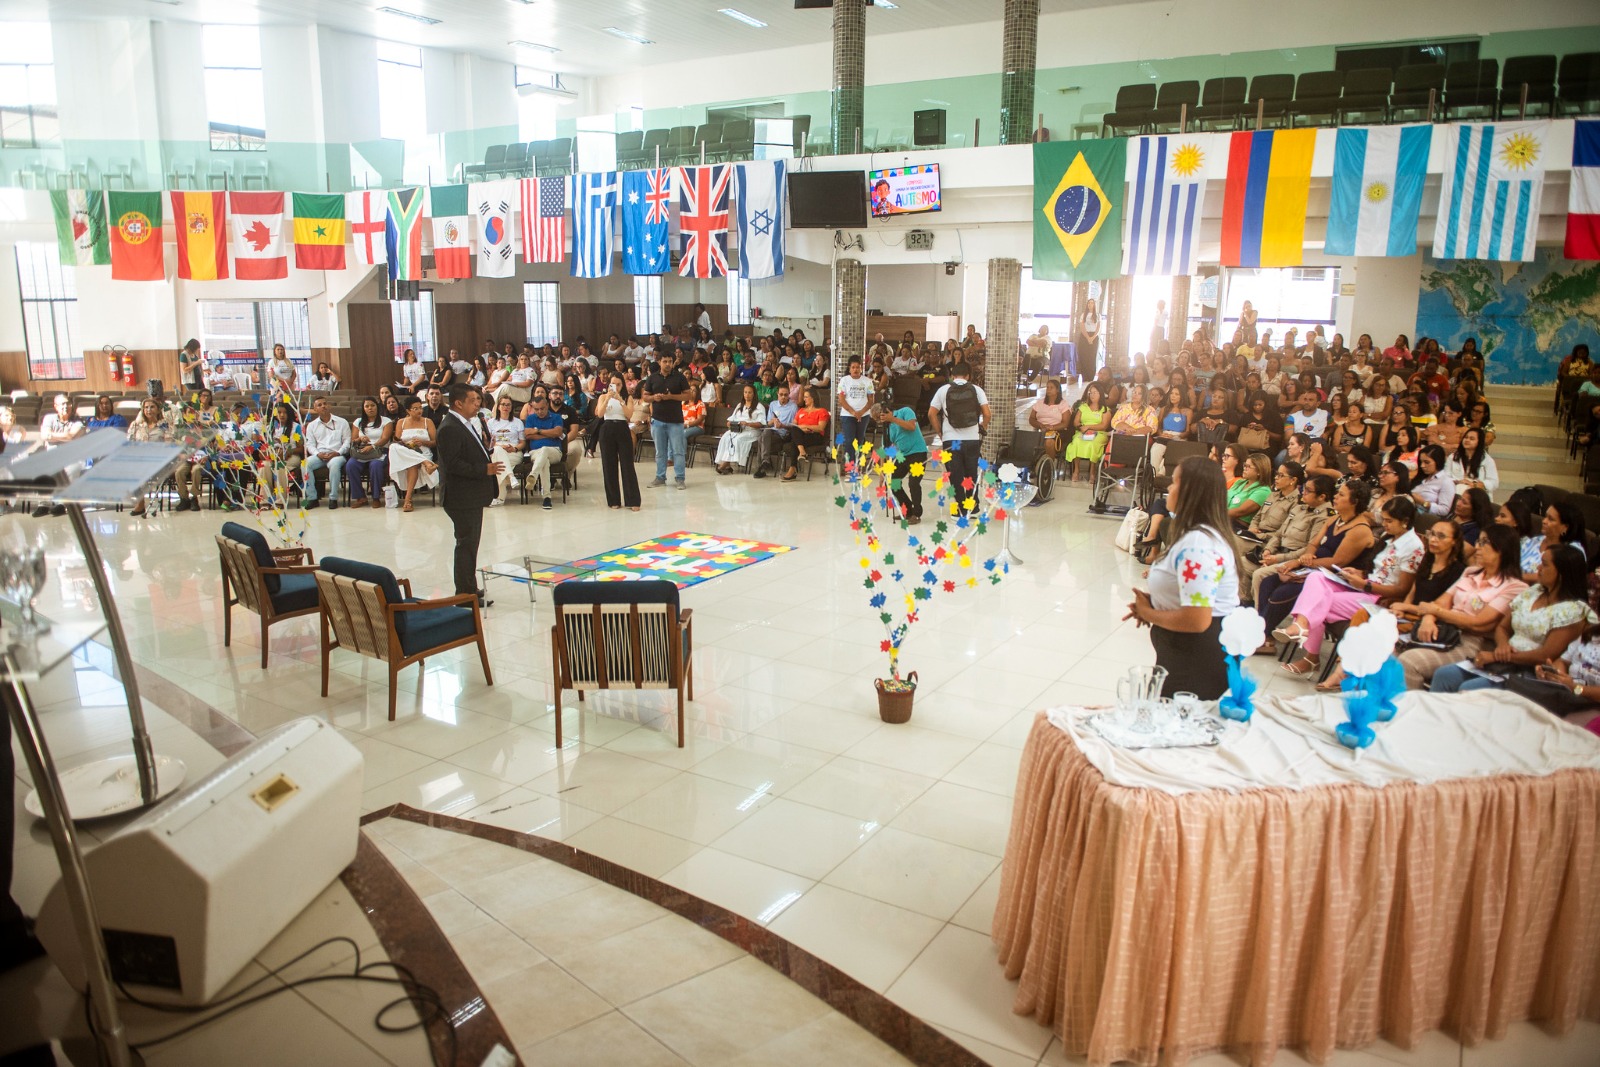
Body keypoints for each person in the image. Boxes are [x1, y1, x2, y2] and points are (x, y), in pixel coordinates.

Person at [1124, 456, 1239, 700]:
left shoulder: (1199, 545)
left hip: (1196, 656)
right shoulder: (1195, 536)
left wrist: (1149, 613)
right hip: (1185, 651)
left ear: (1190, 492)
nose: (1169, 487)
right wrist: (1157, 603)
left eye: (1175, 482)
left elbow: (1197, 620)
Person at [1277, 497, 1423, 676]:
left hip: (1379, 596)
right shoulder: (1389, 537)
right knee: (1316, 577)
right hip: (1364, 585)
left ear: (1405, 521)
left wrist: (1366, 585)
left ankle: (1310, 654)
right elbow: (1377, 569)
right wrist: (1359, 573)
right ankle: (1301, 627)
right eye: (1383, 519)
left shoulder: (1413, 547)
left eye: (1389, 521)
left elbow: (1402, 589)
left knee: (1319, 601)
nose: (1384, 524)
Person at [1429, 545, 1594, 693]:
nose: (1538, 568)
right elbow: (1503, 627)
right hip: (1504, 659)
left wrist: (1498, 656)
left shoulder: (1573, 611)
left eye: (1544, 564)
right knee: (1444, 675)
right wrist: (1502, 646)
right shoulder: (1533, 591)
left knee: (1470, 689)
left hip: (1530, 671)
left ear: (1562, 573)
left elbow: (1546, 655)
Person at [1394, 524, 1529, 689]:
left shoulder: (1514, 586)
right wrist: (1428, 619)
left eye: (1484, 542)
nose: (1477, 547)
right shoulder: (1470, 572)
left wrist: (1435, 611)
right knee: (1391, 650)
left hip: (1472, 642)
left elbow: (1478, 622)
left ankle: (1413, 705)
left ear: (1501, 548)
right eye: (1478, 541)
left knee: (1409, 662)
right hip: (1443, 631)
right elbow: (1440, 602)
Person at [436, 384, 502, 604]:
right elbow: (453, 464)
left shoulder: (464, 423)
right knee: (465, 546)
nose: (477, 405)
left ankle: (469, 587)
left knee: (471, 545)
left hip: (470, 495)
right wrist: (484, 469)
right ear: (458, 403)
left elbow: (467, 452)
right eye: (473, 400)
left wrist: (485, 450)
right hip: (461, 496)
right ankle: (464, 596)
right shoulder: (449, 427)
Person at [927, 362, 990, 512]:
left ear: (952, 376)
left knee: (955, 475)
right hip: (972, 440)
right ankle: (973, 507)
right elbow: (987, 414)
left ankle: (961, 508)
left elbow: (931, 414)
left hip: (951, 440)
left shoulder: (943, 390)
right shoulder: (977, 390)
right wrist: (982, 428)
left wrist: (941, 433)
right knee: (971, 474)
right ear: (968, 376)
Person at [642, 350, 692, 491]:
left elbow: (687, 396)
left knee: (678, 451)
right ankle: (660, 477)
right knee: (660, 452)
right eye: (665, 361)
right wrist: (654, 398)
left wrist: (671, 397)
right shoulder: (652, 378)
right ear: (659, 362)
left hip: (675, 421)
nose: (668, 364)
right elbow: (645, 396)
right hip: (657, 420)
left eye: (670, 361)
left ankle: (680, 478)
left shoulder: (679, 377)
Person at [593, 375, 641, 511]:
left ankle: (633, 500)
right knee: (609, 465)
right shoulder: (603, 397)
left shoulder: (627, 398)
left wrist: (620, 400)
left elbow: (629, 415)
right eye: (613, 384)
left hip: (622, 427)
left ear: (622, 385)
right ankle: (613, 500)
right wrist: (607, 398)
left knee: (627, 464)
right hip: (607, 428)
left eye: (619, 384)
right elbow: (600, 414)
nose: (616, 387)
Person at [876, 401, 928, 524]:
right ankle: (908, 510)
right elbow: (884, 451)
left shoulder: (905, 411)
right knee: (893, 481)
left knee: (913, 483)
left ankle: (916, 514)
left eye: (879, 417)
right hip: (903, 456)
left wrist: (893, 419)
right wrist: (882, 472)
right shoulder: (887, 428)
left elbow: (911, 427)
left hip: (918, 453)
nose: (879, 421)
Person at [388, 395, 438, 512]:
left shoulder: (428, 422)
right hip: (406, 452)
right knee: (393, 447)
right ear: (408, 411)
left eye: (420, 407)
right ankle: (426, 463)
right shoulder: (401, 422)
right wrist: (407, 443)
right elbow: (397, 441)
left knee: (412, 465)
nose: (419, 411)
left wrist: (423, 442)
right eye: (415, 408)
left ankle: (408, 499)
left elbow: (435, 442)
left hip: (423, 452)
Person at [299, 396, 350, 510]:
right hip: (320, 455)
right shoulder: (312, 425)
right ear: (315, 409)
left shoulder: (342, 422)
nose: (323, 406)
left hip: (337, 455)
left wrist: (337, 453)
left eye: (325, 404)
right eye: (319, 405)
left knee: (334, 465)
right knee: (304, 464)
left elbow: (347, 442)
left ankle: (333, 498)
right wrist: (317, 454)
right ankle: (312, 498)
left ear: (329, 406)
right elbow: (310, 444)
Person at [520, 390, 565, 511]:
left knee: (544, 450)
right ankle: (546, 498)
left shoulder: (556, 417)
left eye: (542, 409)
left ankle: (533, 475)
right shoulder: (530, 418)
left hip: (555, 451)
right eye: (536, 409)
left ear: (547, 406)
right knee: (544, 462)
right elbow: (527, 434)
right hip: (535, 452)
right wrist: (549, 434)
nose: (539, 411)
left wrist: (538, 431)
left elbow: (557, 432)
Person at [347, 397, 392, 508]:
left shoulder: (386, 421)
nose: (370, 408)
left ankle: (376, 497)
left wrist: (372, 446)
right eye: (367, 406)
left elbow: (385, 438)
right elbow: (353, 440)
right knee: (350, 465)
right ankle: (360, 497)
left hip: (379, 451)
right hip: (362, 451)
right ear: (363, 408)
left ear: (377, 407)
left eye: (372, 405)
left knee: (375, 465)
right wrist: (360, 439)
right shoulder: (358, 422)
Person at [715, 384, 766, 475]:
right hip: (737, 429)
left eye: (749, 392)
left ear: (754, 394)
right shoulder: (740, 405)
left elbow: (761, 424)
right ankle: (727, 465)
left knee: (737, 439)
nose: (747, 395)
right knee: (725, 437)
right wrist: (729, 423)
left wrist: (747, 423)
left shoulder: (759, 406)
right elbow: (731, 418)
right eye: (745, 392)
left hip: (751, 431)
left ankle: (725, 463)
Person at [836, 357, 875, 458]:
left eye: (858, 367)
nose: (855, 369)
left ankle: (858, 462)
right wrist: (853, 412)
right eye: (853, 367)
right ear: (849, 369)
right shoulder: (844, 380)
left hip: (864, 415)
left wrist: (861, 413)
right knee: (849, 440)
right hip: (847, 415)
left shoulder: (867, 381)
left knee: (860, 440)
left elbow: (871, 400)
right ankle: (850, 464)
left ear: (861, 368)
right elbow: (841, 399)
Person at [1030, 379, 1071, 460]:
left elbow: (1065, 423)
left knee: (1049, 442)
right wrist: (1040, 425)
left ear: (1057, 390)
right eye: (1047, 387)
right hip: (1040, 430)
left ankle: (1050, 463)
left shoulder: (1063, 404)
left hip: (1057, 432)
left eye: (1051, 387)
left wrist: (1051, 427)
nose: (1048, 390)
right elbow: (1031, 418)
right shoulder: (1040, 403)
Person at [1409, 444, 1454, 517]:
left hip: (1425, 518)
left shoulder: (1446, 482)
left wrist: (1424, 503)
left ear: (1438, 461)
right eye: (1421, 462)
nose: (1422, 466)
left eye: (1427, 462)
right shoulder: (1421, 477)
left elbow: (1444, 510)